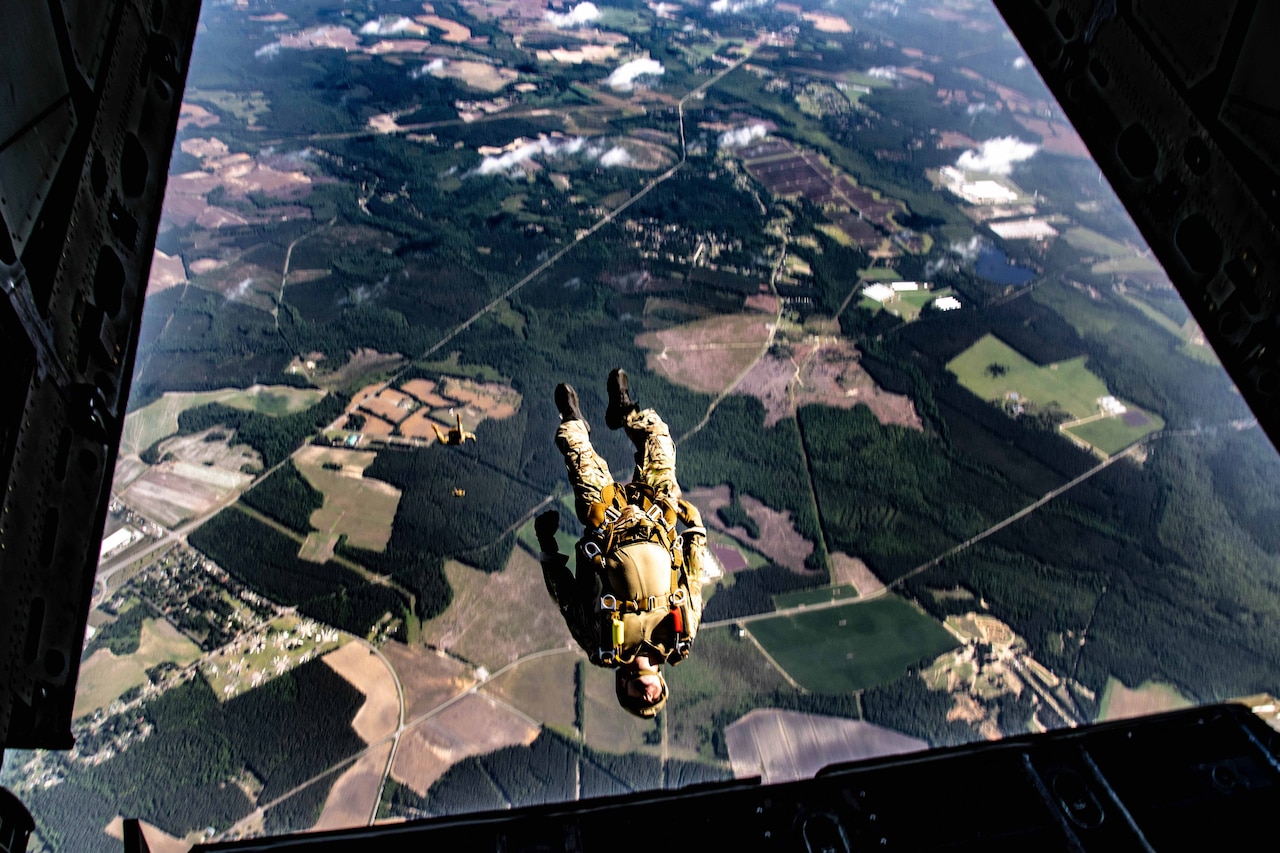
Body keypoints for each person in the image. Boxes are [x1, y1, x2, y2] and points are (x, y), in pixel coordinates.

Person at [537, 369, 708, 719]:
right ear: (662, 686)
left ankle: (572, 419)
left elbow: (567, 601)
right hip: (656, 519)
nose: (648, 698)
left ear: (622, 686)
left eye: (638, 701)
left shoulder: (600, 646)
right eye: (655, 700)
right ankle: (626, 412)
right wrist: (697, 531)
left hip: (608, 526)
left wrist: (548, 549)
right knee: (659, 441)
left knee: (577, 455)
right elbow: (693, 581)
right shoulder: (680, 639)